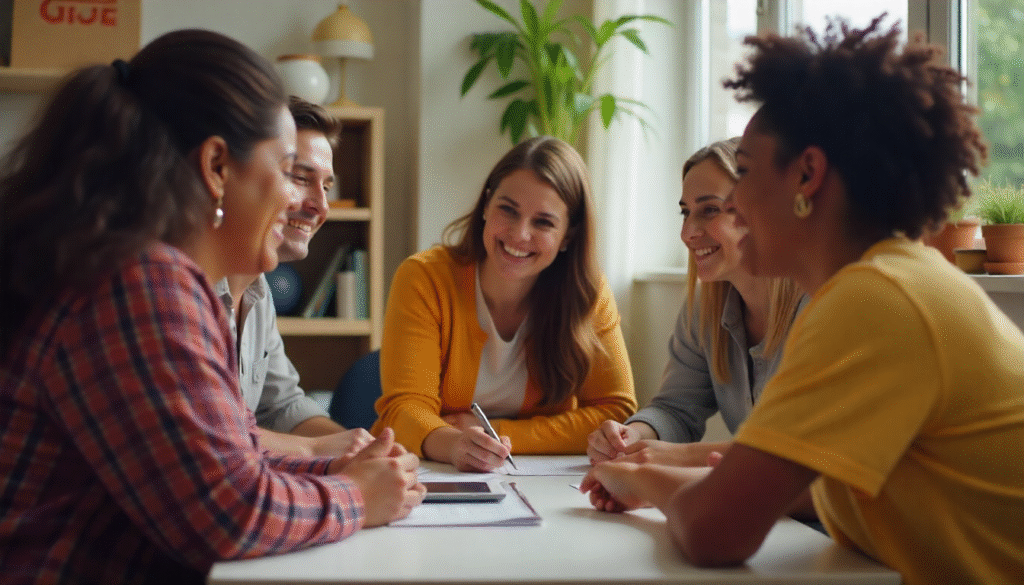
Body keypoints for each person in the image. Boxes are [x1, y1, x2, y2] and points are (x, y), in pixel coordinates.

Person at [581, 15, 1024, 585]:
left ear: (808, 175)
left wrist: (641, 481)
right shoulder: (890, 280)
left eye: (743, 173)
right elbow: (822, 494)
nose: (735, 203)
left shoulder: (873, 298)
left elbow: (715, 531)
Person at [0, 29, 424, 585]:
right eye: (288, 168)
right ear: (218, 167)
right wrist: (355, 495)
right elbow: (233, 511)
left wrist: (342, 467)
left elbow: (231, 455)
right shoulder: (142, 282)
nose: (300, 200)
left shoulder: (148, 270)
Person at [373, 136, 637, 472]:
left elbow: (616, 412)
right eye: (507, 210)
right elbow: (405, 408)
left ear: (569, 235)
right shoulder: (424, 279)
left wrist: (494, 433)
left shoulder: (588, 292)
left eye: (543, 222)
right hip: (429, 470)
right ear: (486, 205)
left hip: (540, 480)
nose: (518, 234)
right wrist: (454, 445)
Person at [587, 138, 804, 467]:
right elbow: (676, 409)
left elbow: (800, 450)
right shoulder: (705, 308)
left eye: (710, 210)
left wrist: (670, 457)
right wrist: (632, 436)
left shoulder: (822, 305)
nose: (687, 232)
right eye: (685, 212)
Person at [217, 95, 372, 462]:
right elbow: (209, 435)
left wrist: (360, 448)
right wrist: (317, 449)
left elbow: (281, 406)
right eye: (301, 178)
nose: (321, 205)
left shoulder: (259, 290)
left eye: (327, 186)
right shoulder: (183, 292)